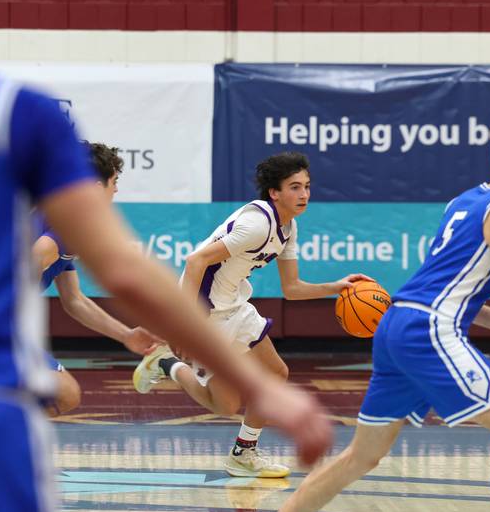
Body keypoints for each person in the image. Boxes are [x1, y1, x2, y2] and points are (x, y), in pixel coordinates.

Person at [0, 0, 333, 512]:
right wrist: (259, 384)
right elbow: (125, 271)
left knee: (65, 392)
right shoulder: (14, 111)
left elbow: (75, 294)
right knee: (57, 397)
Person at [280, 104, 490, 512]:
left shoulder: (464, 201)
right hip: (427, 330)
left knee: (363, 455)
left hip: (397, 323)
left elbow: (446, 290)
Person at [133, 152, 367, 478]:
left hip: (235, 305)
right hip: (205, 313)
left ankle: (244, 452)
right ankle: (166, 363)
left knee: (275, 373)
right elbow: (195, 261)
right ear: (275, 192)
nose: (304, 195)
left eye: (307, 187)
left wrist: (337, 287)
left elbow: (292, 289)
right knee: (226, 405)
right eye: (295, 187)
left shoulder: (288, 227)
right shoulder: (257, 225)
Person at [34, 142, 160, 416]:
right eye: (113, 182)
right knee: (64, 394)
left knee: (64, 395)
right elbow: (27, 262)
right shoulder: (69, 223)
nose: (116, 190)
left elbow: (74, 300)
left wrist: (126, 335)